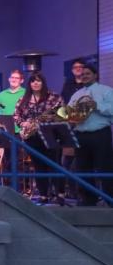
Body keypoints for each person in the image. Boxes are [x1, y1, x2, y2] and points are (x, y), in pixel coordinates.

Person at [13, 72, 65, 205]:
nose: (35, 83)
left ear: (43, 82)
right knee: (38, 165)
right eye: (32, 81)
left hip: (50, 134)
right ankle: (43, 195)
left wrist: (48, 119)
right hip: (32, 137)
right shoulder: (24, 99)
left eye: (38, 81)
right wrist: (23, 123)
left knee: (54, 164)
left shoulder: (54, 97)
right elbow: (16, 116)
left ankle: (59, 193)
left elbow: (63, 113)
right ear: (29, 84)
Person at [67, 63, 113, 207]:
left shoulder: (106, 91)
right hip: (81, 134)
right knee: (82, 168)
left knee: (105, 167)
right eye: (82, 75)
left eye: (87, 74)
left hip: (100, 134)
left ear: (95, 75)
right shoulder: (77, 94)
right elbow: (69, 113)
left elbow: (111, 110)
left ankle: (110, 199)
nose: (84, 76)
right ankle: (88, 199)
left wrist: (95, 105)